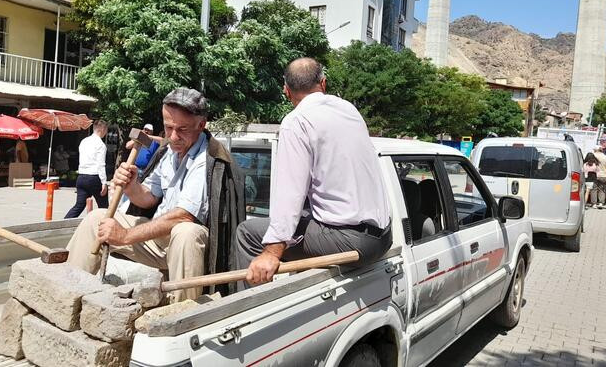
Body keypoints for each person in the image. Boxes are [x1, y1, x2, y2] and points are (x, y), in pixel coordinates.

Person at [66, 88, 245, 302]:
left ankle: (181, 311)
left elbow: (183, 216)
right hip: (156, 238)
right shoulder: (169, 152)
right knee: (97, 219)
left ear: (201, 125)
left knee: (186, 232)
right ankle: (67, 293)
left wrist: (124, 236)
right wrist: (132, 185)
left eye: (183, 129)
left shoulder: (208, 160)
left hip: (190, 248)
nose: (174, 136)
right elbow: (149, 197)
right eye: (168, 127)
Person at [234, 57, 391, 288]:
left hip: (350, 242)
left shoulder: (296, 122)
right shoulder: (348, 109)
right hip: (382, 236)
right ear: (323, 83)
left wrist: (272, 252)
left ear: (286, 91)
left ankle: (252, 311)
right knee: (306, 219)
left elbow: (290, 192)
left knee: (248, 232)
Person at [65, 121, 109, 218]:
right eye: (106, 130)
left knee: (79, 205)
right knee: (104, 207)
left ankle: (62, 224)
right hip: (94, 177)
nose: (106, 132)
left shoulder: (84, 141)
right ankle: (105, 226)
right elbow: (101, 164)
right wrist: (104, 182)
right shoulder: (101, 145)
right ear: (102, 129)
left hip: (81, 177)